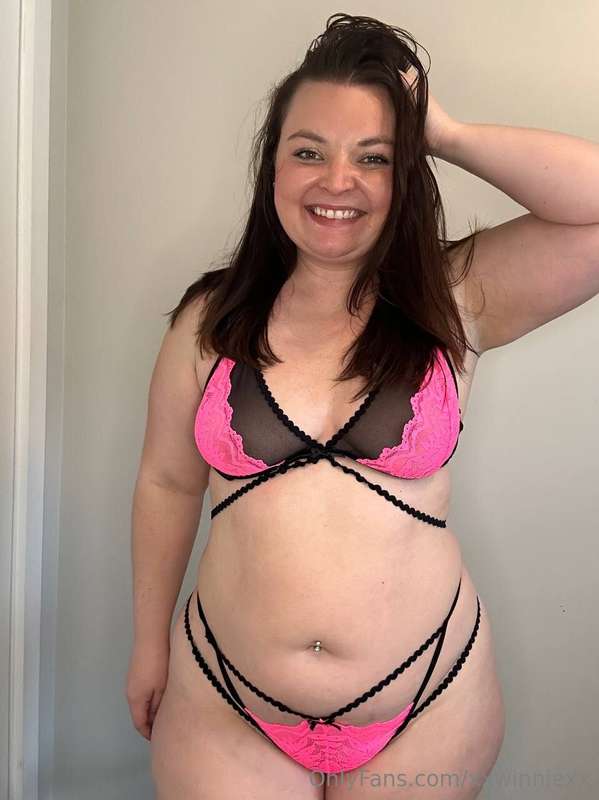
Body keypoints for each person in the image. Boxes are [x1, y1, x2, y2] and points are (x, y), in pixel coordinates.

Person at [126, 13, 599, 799]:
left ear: (404, 173)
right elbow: (166, 483)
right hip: (223, 695)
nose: (336, 181)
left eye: (372, 157)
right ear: (271, 165)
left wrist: (441, 132)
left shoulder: (456, 299)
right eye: (308, 151)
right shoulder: (208, 321)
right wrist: (148, 647)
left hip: (429, 698)